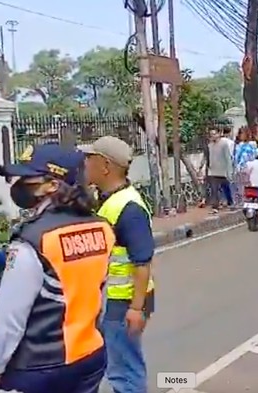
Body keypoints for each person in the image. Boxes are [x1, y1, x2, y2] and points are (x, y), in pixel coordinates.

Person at [0, 143, 114, 393]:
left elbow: (10, 321)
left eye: (28, 179)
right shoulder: (102, 228)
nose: (18, 185)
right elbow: (98, 293)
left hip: (39, 366)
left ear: (54, 185)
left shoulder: (33, 240)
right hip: (89, 356)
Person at [80, 136, 155, 393]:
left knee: (124, 370)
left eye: (89, 159)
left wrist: (136, 308)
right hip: (114, 298)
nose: (85, 164)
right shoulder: (109, 199)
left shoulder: (129, 207)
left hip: (124, 301)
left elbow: (142, 262)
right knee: (115, 362)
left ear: (105, 166)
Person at [206, 129, 234, 214]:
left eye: (214, 134)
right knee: (214, 189)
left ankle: (230, 201)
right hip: (213, 171)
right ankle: (215, 206)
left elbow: (228, 158)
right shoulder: (210, 145)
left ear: (218, 134)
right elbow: (208, 157)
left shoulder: (224, 144)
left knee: (226, 188)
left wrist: (229, 171)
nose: (213, 136)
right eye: (211, 134)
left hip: (223, 171)